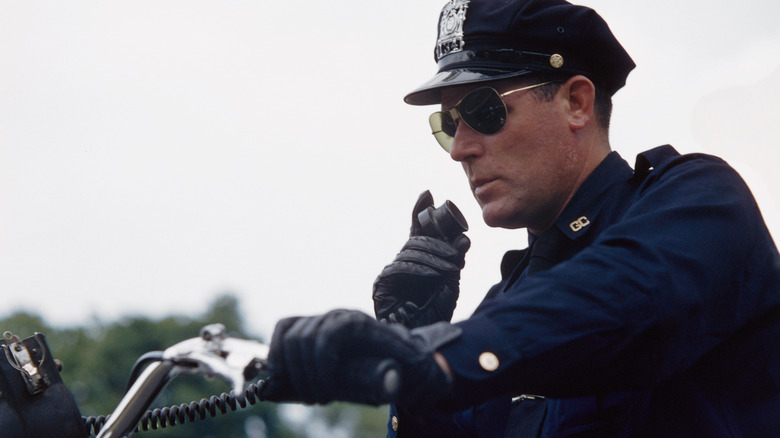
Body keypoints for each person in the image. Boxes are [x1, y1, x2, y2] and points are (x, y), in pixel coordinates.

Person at [262, 0, 780, 436]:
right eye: (448, 123)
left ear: (576, 103)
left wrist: (439, 354)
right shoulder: (505, 306)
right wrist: (414, 356)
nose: (459, 149)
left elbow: (622, 296)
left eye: (485, 110)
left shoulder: (703, 201)